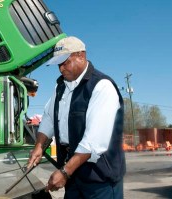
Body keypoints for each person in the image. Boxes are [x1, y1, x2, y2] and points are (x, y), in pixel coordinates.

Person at [27, 36, 126, 199]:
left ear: (81, 56)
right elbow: (49, 119)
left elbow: (93, 141)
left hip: (99, 180)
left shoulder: (101, 86)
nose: (61, 69)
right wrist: (39, 147)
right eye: (59, 64)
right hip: (73, 176)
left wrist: (65, 172)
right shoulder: (60, 87)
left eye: (65, 62)